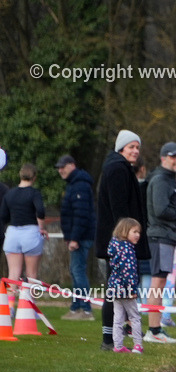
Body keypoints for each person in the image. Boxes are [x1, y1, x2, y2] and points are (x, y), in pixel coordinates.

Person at [95, 130, 150, 350]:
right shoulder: (117, 169)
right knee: (116, 289)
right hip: (120, 243)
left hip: (122, 240)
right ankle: (109, 338)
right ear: (121, 148)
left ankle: (119, 332)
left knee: (122, 289)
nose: (135, 151)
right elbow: (120, 209)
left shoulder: (121, 168)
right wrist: (128, 238)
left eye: (137, 147)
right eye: (131, 147)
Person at [145, 142, 176, 343]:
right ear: (163, 158)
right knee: (158, 282)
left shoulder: (168, 180)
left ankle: (155, 330)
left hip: (165, 236)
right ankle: (154, 331)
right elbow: (161, 210)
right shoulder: (162, 180)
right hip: (160, 236)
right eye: (174, 156)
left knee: (160, 281)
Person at [56, 155, 96, 319]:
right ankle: (76, 307)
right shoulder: (75, 184)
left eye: (63, 166)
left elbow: (80, 215)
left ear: (72, 165)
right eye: (59, 167)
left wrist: (75, 238)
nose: (60, 170)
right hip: (76, 236)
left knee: (78, 271)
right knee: (75, 270)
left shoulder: (79, 186)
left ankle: (85, 309)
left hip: (80, 237)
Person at [1, 162, 48, 284]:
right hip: (30, 233)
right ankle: (28, 301)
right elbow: (40, 211)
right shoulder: (34, 193)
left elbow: (3, 216)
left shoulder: (9, 194)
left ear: (20, 175)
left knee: (13, 273)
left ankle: (10, 303)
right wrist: (42, 228)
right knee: (31, 274)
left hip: (12, 234)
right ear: (34, 177)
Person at [107, 217, 144, 354]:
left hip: (115, 288)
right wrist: (132, 289)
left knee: (118, 317)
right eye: (134, 231)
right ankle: (138, 345)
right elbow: (129, 271)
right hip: (126, 289)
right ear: (124, 231)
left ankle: (117, 345)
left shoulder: (115, 247)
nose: (137, 235)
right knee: (134, 317)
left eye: (138, 232)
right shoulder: (127, 249)